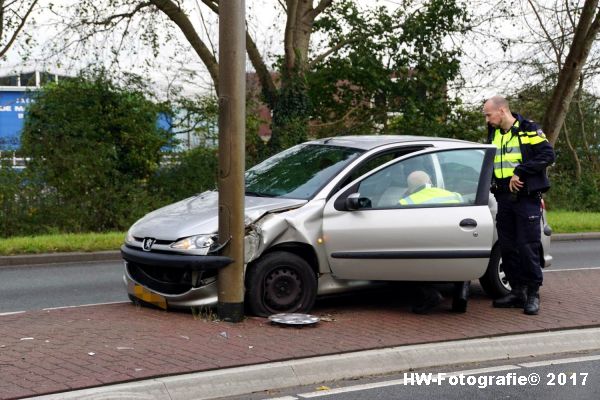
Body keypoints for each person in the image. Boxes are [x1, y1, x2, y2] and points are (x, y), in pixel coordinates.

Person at [483, 96, 555, 315]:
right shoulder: (494, 133)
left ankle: (533, 295)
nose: (487, 120)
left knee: (527, 246)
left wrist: (521, 171)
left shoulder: (528, 129)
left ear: (502, 110)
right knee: (508, 247)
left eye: (489, 114)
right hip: (503, 198)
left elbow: (548, 155)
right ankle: (517, 292)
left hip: (525, 199)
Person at [399, 171, 470, 314]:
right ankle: (461, 296)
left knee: (401, 264)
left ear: (409, 187)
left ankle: (430, 294)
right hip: (456, 248)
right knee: (465, 265)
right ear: (430, 181)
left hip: (429, 251)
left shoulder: (406, 202)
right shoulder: (454, 195)